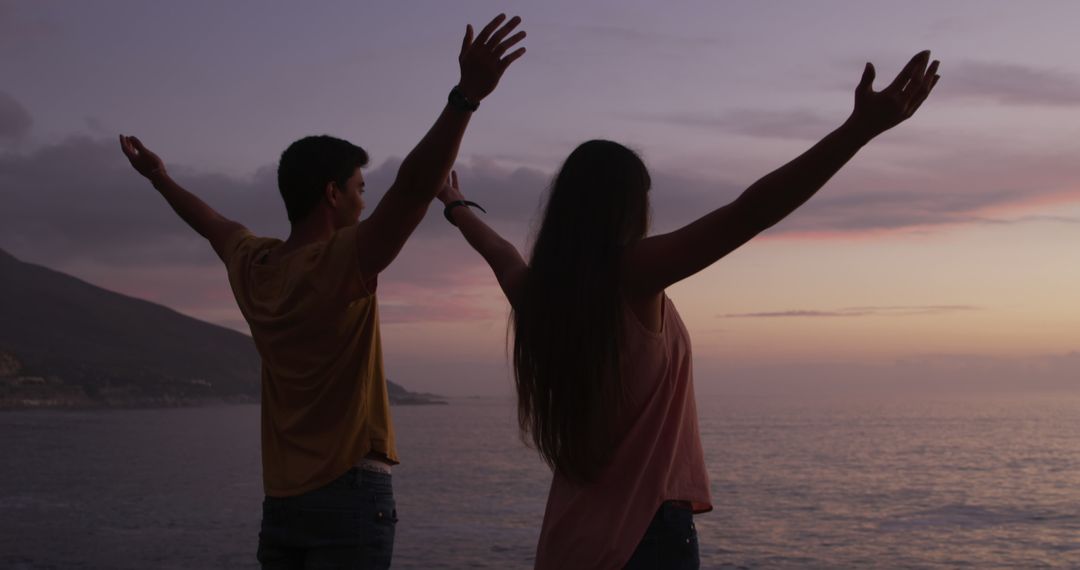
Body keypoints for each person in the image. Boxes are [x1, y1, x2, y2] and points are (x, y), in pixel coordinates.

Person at [438, 51, 940, 569]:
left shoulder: (539, 294)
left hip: (568, 543)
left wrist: (454, 205)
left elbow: (499, 252)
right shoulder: (634, 274)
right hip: (643, 541)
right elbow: (749, 212)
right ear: (627, 206)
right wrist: (857, 131)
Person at [118, 13, 526, 569]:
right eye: (360, 188)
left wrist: (159, 178)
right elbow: (412, 188)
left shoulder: (254, 264)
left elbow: (209, 220)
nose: (365, 199)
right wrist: (465, 98)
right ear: (332, 194)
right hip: (349, 497)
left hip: (281, 505)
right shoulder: (341, 261)